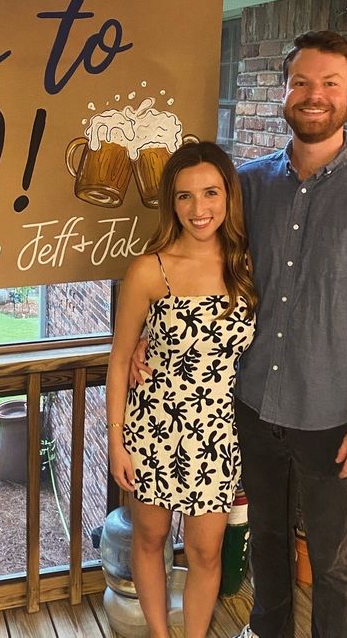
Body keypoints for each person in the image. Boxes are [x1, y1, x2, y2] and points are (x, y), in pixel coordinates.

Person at [132, 30, 347, 638]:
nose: (313, 95)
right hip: (251, 406)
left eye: (328, 83)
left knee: (332, 563)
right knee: (266, 544)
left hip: (336, 419)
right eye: (301, 82)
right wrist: (150, 332)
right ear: (285, 93)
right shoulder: (248, 185)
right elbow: (201, 274)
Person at [106, 141, 257, 638]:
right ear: (171, 202)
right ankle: (159, 632)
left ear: (228, 196)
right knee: (150, 540)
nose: (199, 209)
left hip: (217, 430)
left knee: (207, 550)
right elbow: (121, 358)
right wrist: (115, 441)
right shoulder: (149, 269)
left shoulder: (248, 267)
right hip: (152, 426)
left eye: (210, 193)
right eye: (185, 196)